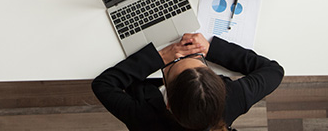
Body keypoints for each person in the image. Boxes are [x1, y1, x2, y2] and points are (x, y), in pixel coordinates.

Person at [92, 33, 284, 131]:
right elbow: (274, 71)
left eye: (174, 65)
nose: (181, 56)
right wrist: (210, 49)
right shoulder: (234, 97)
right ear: (220, 87)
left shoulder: (146, 121)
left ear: (167, 103)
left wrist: (160, 56)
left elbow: (103, 84)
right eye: (199, 61)